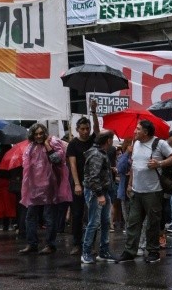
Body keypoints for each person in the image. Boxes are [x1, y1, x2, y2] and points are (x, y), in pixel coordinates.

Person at [116, 120, 172, 264]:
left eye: (138, 129)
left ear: (146, 132)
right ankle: (129, 251)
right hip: (137, 191)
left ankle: (153, 251)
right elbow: (134, 166)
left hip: (153, 191)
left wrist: (159, 163)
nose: (135, 131)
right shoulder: (136, 144)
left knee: (153, 223)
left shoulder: (159, 143)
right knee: (133, 222)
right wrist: (130, 184)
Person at [19, 123, 72, 255]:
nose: (38, 136)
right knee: (30, 216)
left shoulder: (53, 142)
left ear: (45, 133)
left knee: (49, 217)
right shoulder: (30, 147)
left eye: (41, 133)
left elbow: (58, 160)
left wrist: (48, 146)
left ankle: (50, 244)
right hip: (34, 188)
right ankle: (32, 244)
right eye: (36, 134)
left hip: (49, 186)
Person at [66, 101, 101, 255]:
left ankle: (90, 244)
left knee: (91, 215)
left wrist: (93, 112)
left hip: (93, 184)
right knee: (78, 214)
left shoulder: (94, 140)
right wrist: (77, 184)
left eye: (87, 129)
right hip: (79, 184)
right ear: (77, 130)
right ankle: (76, 243)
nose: (85, 132)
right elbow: (72, 165)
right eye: (82, 129)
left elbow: (98, 131)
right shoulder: (73, 144)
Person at [81, 131, 116, 264]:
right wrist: (100, 194)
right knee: (94, 222)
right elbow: (93, 177)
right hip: (97, 192)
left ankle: (104, 251)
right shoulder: (97, 154)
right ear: (108, 141)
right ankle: (86, 252)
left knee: (105, 221)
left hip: (101, 191)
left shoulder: (99, 153)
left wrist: (109, 170)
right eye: (111, 140)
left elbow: (96, 173)